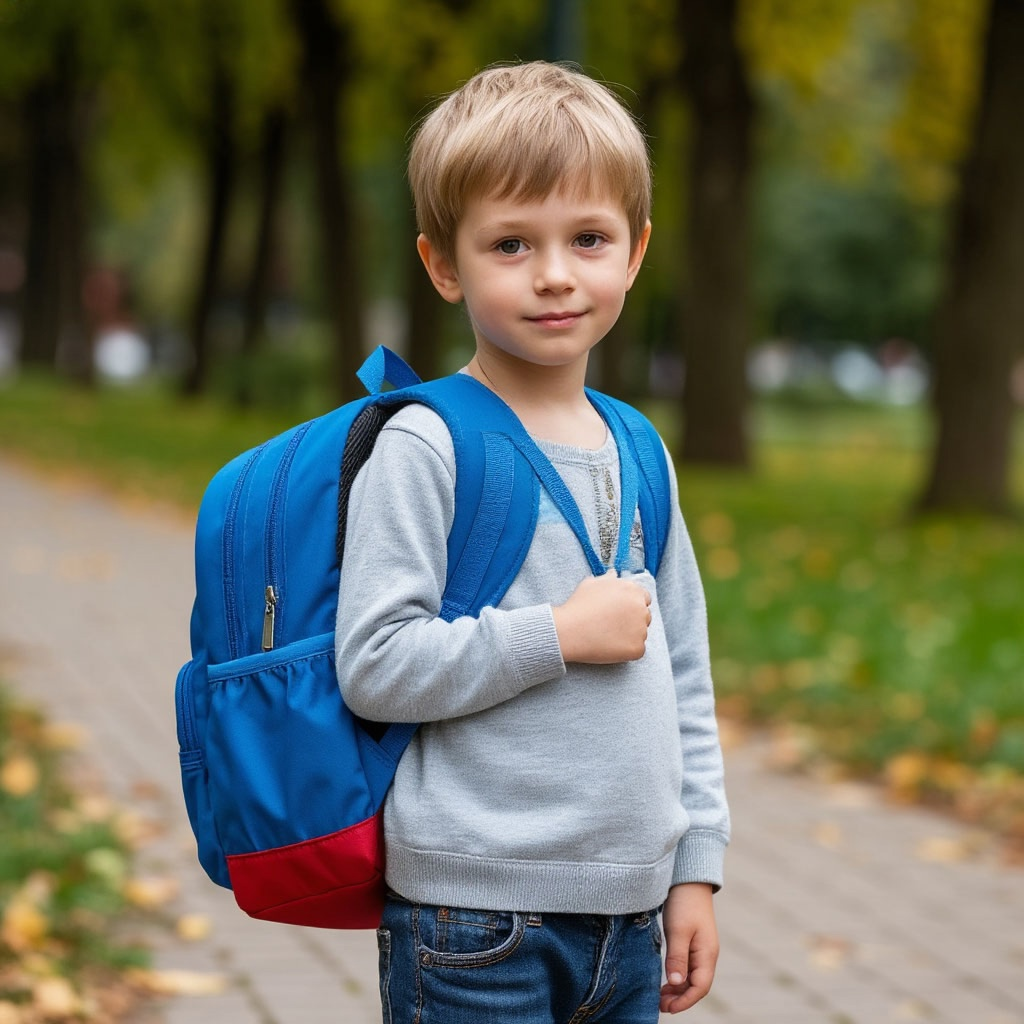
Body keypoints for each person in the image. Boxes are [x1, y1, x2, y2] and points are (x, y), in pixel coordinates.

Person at [335, 60, 730, 1022]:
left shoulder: (641, 448)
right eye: (510, 243)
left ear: (634, 252)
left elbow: (684, 674)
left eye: (587, 238)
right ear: (442, 265)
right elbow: (376, 665)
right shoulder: (429, 444)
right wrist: (556, 633)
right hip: (475, 923)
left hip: (631, 919)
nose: (555, 273)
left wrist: (695, 870)